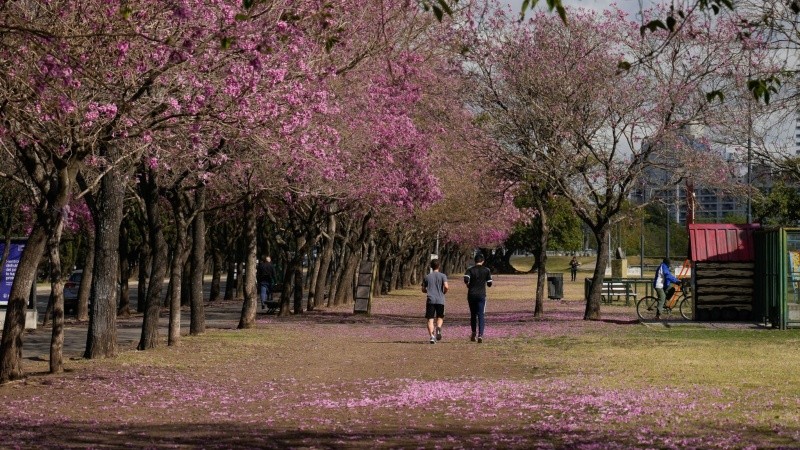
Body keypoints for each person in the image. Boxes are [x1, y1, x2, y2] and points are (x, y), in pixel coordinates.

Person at [464, 253, 493, 343]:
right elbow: (489, 284)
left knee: (473, 314)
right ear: (483, 261)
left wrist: (469, 285)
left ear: (474, 261)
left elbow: (466, 280)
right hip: (481, 295)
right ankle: (480, 335)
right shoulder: (486, 270)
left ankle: (473, 333)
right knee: (481, 315)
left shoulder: (470, 270)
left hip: (471, 295)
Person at [422, 259, 449, 344]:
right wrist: (444, 292)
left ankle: (432, 337)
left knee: (430, 319)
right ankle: (438, 328)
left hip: (430, 300)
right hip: (440, 300)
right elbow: (446, 286)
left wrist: (428, 291)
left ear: (431, 266)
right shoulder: (443, 276)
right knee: (440, 317)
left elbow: (423, 289)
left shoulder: (427, 277)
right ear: (439, 266)